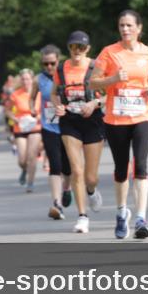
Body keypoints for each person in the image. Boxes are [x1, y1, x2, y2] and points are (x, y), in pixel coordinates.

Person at [90, 10, 148, 240]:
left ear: (139, 28)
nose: (125, 29)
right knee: (122, 169)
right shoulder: (109, 53)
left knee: (140, 165)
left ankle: (141, 218)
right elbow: (93, 83)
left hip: (143, 114)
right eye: (122, 25)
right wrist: (112, 80)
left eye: (129, 25)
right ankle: (121, 213)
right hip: (116, 117)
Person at [52, 31, 105, 233]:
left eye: (81, 47)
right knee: (76, 169)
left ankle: (91, 191)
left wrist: (95, 102)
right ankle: (82, 216)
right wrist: (58, 106)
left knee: (91, 177)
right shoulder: (61, 68)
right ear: (69, 48)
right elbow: (54, 93)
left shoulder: (95, 67)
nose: (77, 51)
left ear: (88, 49)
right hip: (69, 121)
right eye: (74, 47)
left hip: (92, 120)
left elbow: (110, 95)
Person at [30, 45, 72, 220]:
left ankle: (66, 188)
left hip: (69, 126)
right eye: (45, 63)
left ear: (58, 61)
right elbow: (31, 98)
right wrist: (32, 109)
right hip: (49, 127)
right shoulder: (38, 79)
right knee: (55, 165)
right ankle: (57, 204)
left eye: (52, 63)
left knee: (68, 167)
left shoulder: (66, 76)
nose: (48, 67)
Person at [6, 69, 42, 193]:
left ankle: (30, 183)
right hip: (20, 128)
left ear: (32, 80)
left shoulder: (39, 94)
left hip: (35, 127)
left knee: (32, 156)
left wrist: (39, 117)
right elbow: (8, 110)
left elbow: (46, 109)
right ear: (20, 81)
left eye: (28, 79)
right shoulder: (15, 94)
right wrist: (15, 119)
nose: (26, 81)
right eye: (23, 79)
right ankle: (24, 169)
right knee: (22, 159)